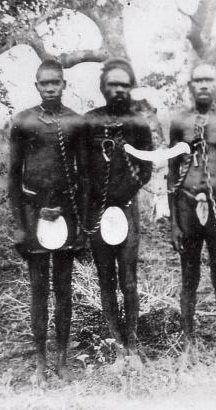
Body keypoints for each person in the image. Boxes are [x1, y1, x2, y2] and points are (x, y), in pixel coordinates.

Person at [8, 59, 89, 382]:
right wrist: (19, 223)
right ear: (36, 86)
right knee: (39, 290)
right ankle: (40, 363)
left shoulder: (75, 122)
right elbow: (14, 176)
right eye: (45, 83)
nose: (51, 88)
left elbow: (83, 178)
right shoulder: (24, 121)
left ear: (64, 84)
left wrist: (82, 225)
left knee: (64, 291)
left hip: (66, 215)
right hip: (33, 215)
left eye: (56, 82)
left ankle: (63, 360)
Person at [84, 58, 153, 361]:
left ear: (131, 87)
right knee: (106, 279)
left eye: (124, 84)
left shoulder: (138, 122)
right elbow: (82, 168)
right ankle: (117, 343)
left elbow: (146, 168)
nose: (119, 90)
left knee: (128, 279)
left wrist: (122, 194)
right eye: (113, 84)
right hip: (97, 211)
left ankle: (134, 344)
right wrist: (95, 200)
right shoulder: (89, 121)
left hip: (127, 209)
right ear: (103, 87)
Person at [167, 63, 216, 352]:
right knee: (189, 276)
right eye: (198, 80)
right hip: (186, 204)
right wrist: (173, 221)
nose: (204, 85)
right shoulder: (179, 121)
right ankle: (188, 345)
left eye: (209, 80)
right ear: (190, 85)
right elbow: (172, 170)